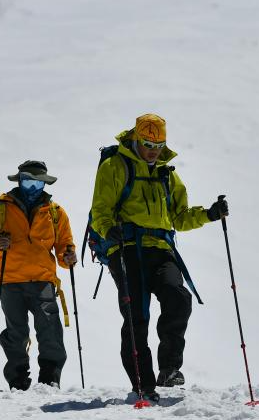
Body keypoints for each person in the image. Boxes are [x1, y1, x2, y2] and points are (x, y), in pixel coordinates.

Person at [90, 114, 228, 401]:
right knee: (136, 315)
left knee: (178, 297)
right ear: (136, 139)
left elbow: (180, 217)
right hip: (126, 247)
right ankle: (143, 385)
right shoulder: (114, 166)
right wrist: (108, 230)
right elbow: (101, 209)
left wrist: (210, 214)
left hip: (161, 248)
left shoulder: (167, 173)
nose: (153, 149)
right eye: (147, 143)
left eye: (158, 143)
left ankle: (169, 369)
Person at [0, 160, 76, 390]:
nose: (32, 188)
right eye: (27, 181)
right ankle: (18, 380)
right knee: (17, 332)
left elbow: (65, 246)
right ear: (19, 181)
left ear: (44, 184)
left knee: (50, 328)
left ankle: (50, 378)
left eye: (37, 183)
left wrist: (68, 256)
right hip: (10, 280)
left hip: (42, 279)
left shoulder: (55, 212)